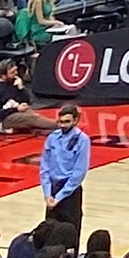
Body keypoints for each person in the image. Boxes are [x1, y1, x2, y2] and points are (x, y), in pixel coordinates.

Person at [39, 105, 92, 249]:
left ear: (75, 120)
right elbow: (45, 167)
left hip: (70, 191)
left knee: (71, 231)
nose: (63, 125)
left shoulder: (83, 140)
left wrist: (60, 196)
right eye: (61, 121)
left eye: (67, 122)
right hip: (52, 190)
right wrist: (47, 194)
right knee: (49, 231)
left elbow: (79, 172)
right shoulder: (52, 138)